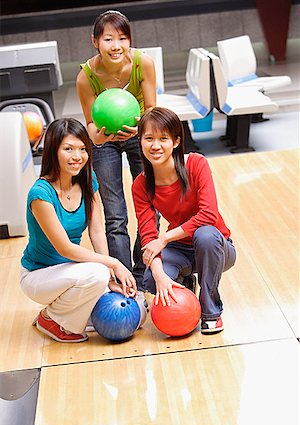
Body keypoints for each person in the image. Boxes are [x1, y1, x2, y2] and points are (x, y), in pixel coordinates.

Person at [20, 118, 137, 343]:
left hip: (70, 272)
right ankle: (51, 319)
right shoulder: (40, 194)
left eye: (83, 149)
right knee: (97, 273)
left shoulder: (87, 180)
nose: (77, 156)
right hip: (38, 276)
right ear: (53, 151)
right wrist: (112, 264)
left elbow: (96, 232)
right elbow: (65, 249)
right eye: (69, 149)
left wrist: (111, 279)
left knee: (130, 312)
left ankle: (63, 315)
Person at [132, 107, 236, 334]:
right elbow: (148, 235)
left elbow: (208, 215)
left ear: (176, 141)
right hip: (180, 249)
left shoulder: (196, 164)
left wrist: (165, 238)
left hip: (216, 247)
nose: (155, 146)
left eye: (163, 139)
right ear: (140, 141)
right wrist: (160, 276)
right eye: (148, 138)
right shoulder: (141, 184)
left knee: (205, 234)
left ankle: (211, 311)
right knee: (151, 280)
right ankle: (185, 282)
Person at [76, 10, 156, 298]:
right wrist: (102, 135)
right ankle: (123, 278)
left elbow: (151, 114)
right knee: (115, 214)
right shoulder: (86, 78)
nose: (116, 45)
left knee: (151, 201)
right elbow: (90, 126)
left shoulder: (142, 64)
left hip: (139, 134)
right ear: (95, 41)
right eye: (108, 39)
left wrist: (138, 132)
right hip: (105, 140)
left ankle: (142, 269)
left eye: (122, 38)